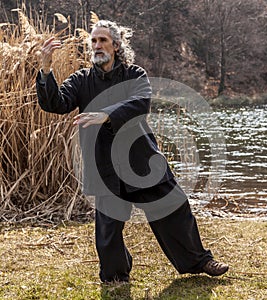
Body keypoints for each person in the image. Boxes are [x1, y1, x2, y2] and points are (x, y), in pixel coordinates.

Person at [36, 20, 229, 283]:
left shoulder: (134, 74)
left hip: (141, 161)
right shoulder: (81, 81)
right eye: (93, 41)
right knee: (108, 230)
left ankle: (200, 261)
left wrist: (105, 115)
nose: (97, 45)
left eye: (102, 40)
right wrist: (46, 70)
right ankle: (116, 275)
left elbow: (140, 103)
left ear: (116, 45)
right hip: (103, 164)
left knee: (174, 205)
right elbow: (55, 104)